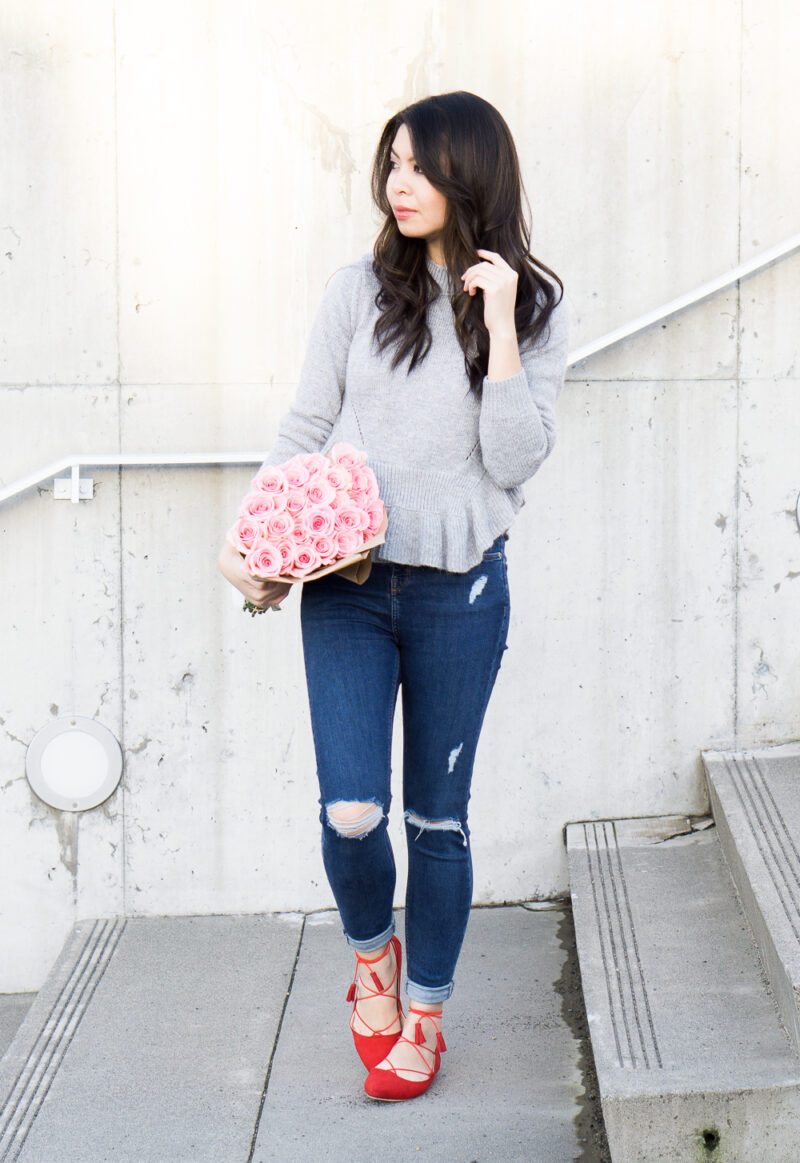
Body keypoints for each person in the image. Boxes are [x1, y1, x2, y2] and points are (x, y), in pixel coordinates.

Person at [218, 90, 568, 1101]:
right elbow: (302, 424)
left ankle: (423, 1014)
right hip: (349, 584)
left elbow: (513, 460)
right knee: (353, 810)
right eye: (390, 163)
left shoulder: (532, 305)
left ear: (472, 175)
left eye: (417, 165)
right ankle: (368, 963)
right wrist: (249, 541)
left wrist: (497, 322)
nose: (396, 183)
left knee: (436, 822)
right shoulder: (355, 291)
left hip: (461, 593)